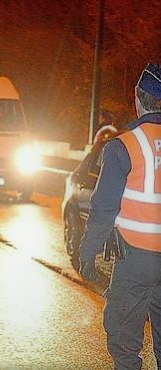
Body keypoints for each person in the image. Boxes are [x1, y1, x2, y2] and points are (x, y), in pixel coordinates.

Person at [78, 63, 161, 370]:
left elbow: (103, 209)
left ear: (138, 98)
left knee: (125, 345)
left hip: (135, 262)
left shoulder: (124, 145)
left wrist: (88, 254)